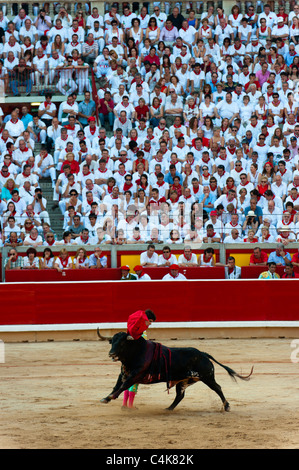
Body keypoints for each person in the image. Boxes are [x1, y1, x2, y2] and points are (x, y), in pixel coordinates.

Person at [123, 309, 156, 409]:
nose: (150, 324)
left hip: (128, 358)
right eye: (150, 321)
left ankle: (124, 404)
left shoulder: (133, 327)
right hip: (137, 360)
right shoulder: (141, 330)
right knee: (134, 381)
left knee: (127, 380)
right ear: (146, 319)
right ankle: (130, 406)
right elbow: (143, 346)